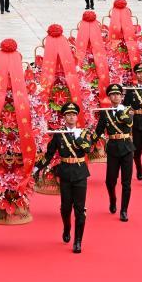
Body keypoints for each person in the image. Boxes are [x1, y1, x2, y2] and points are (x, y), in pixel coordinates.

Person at [40, 102, 95, 253]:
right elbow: (49, 154)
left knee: (79, 209)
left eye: (73, 115)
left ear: (77, 117)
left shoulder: (83, 133)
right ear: (64, 118)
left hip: (80, 173)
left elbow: (88, 149)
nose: (71, 117)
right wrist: (38, 167)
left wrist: (78, 138)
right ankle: (67, 227)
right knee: (65, 208)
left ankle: (78, 241)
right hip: (65, 173)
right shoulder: (59, 135)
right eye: (68, 115)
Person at [94, 84, 134, 221]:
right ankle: (113, 199)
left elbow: (128, 121)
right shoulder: (105, 113)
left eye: (118, 94)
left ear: (121, 96)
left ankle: (124, 210)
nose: (116, 96)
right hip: (112, 149)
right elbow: (98, 131)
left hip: (127, 148)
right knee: (110, 181)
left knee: (126, 182)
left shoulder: (128, 109)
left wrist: (119, 112)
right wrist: (88, 143)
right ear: (110, 97)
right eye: (113, 94)